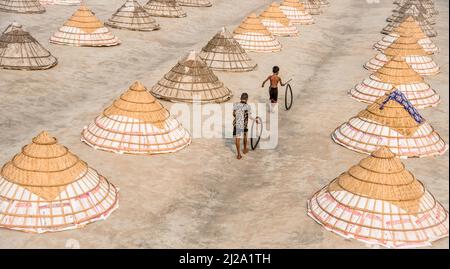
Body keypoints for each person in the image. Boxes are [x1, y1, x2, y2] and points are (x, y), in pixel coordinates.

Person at [233, 93, 258, 160]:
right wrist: (255, 120)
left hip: (237, 124)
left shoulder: (235, 104)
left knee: (237, 139)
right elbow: (249, 116)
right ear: (246, 99)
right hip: (244, 124)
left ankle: (238, 155)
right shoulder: (248, 106)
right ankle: (244, 149)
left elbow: (234, 114)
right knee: (245, 136)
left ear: (240, 98)